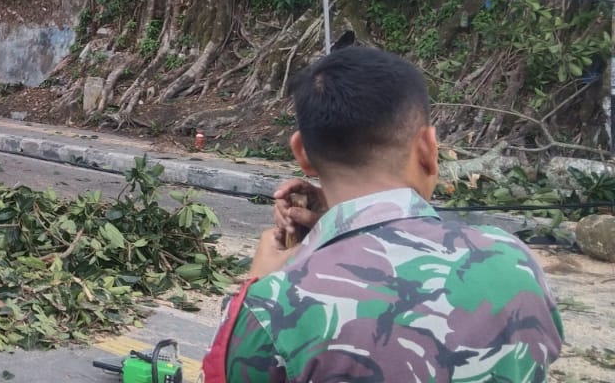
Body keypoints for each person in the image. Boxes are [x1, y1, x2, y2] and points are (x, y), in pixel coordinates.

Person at [205, 47, 563, 382]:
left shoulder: (274, 305)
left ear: (302, 152)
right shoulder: (514, 263)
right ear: (428, 147)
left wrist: (254, 289)